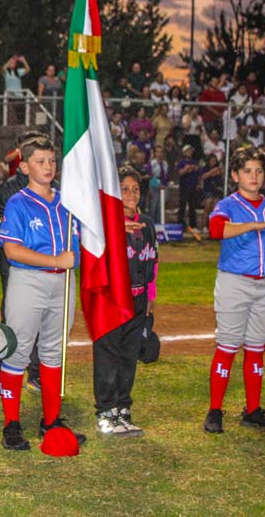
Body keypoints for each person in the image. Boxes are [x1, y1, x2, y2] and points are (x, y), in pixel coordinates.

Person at [0, 136, 83, 451]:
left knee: (52, 352)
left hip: (64, 283)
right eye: (40, 161)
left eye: (51, 161)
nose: (48, 167)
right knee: (17, 352)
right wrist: (55, 260)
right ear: (25, 166)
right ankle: (11, 425)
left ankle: (52, 420)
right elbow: (12, 250)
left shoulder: (69, 201)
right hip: (28, 282)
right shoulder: (18, 202)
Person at [203, 147, 265, 434]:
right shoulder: (228, 204)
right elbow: (216, 229)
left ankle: (252, 410)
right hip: (234, 283)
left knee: (256, 348)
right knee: (227, 346)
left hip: (264, 285)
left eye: (259, 171)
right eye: (248, 171)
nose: (254, 176)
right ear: (235, 175)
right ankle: (215, 410)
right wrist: (253, 225)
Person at [93, 166, 158, 438]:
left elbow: (152, 260)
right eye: (125, 189)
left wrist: (150, 296)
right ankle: (105, 411)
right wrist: (116, 227)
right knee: (109, 355)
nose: (131, 194)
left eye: (135, 189)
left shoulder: (147, 224)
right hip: (111, 301)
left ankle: (123, 408)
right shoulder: (105, 224)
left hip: (138, 299)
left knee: (130, 354)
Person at [0, 131, 46, 399]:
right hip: (14, 264)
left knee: (42, 318)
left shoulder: (50, 187)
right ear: (21, 155)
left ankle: (36, 373)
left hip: (43, 266)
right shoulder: (10, 188)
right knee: (13, 317)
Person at [176, 145, 202, 232]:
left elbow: (198, 174)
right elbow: (180, 173)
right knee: (182, 207)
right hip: (184, 187)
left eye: (190, 150)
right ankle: (180, 225)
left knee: (192, 207)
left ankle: (193, 225)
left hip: (193, 187)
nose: (190, 152)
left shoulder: (195, 162)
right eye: (188, 151)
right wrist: (187, 169)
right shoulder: (181, 162)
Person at [2, 54, 30, 125]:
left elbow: (28, 69)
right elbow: (3, 68)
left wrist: (23, 60)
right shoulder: (6, 73)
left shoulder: (18, 72)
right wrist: (11, 59)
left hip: (19, 97)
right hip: (10, 98)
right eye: (11, 63)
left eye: (14, 63)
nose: (12, 64)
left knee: (21, 117)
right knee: (12, 118)